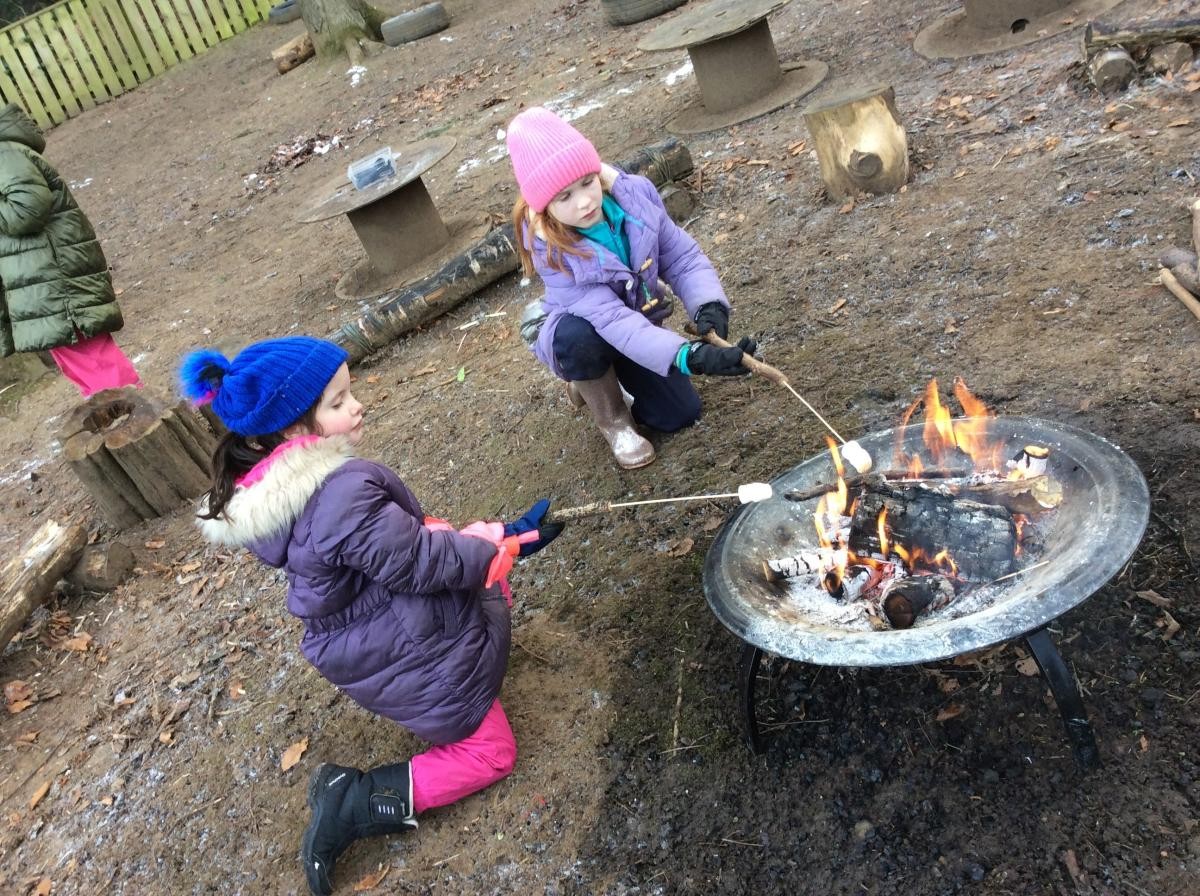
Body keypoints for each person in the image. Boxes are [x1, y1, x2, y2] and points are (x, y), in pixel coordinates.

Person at [178, 336, 562, 896]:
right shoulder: (338, 497)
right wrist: (501, 551)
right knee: (490, 753)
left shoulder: (298, 495)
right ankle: (353, 801)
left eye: (348, 394)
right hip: (404, 650)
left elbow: (408, 545)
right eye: (337, 403)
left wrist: (504, 535)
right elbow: (419, 561)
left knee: (482, 579)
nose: (355, 407)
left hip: (377, 632)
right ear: (292, 431)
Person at [507, 106, 756, 470]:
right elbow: (611, 319)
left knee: (679, 414)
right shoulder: (551, 250)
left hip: (636, 326)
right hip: (591, 329)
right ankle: (612, 418)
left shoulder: (635, 197)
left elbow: (681, 257)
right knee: (579, 338)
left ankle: (593, 381)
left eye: (587, 183)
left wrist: (708, 307)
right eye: (564, 197)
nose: (585, 201)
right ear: (544, 206)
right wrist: (688, 356)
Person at [0, 103, 140, 396]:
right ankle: (120, 423)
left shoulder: (6, 154)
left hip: (56, 287)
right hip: (37, 288)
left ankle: (141, 420)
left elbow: (27, 209)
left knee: (99, 368)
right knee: (85, 372)